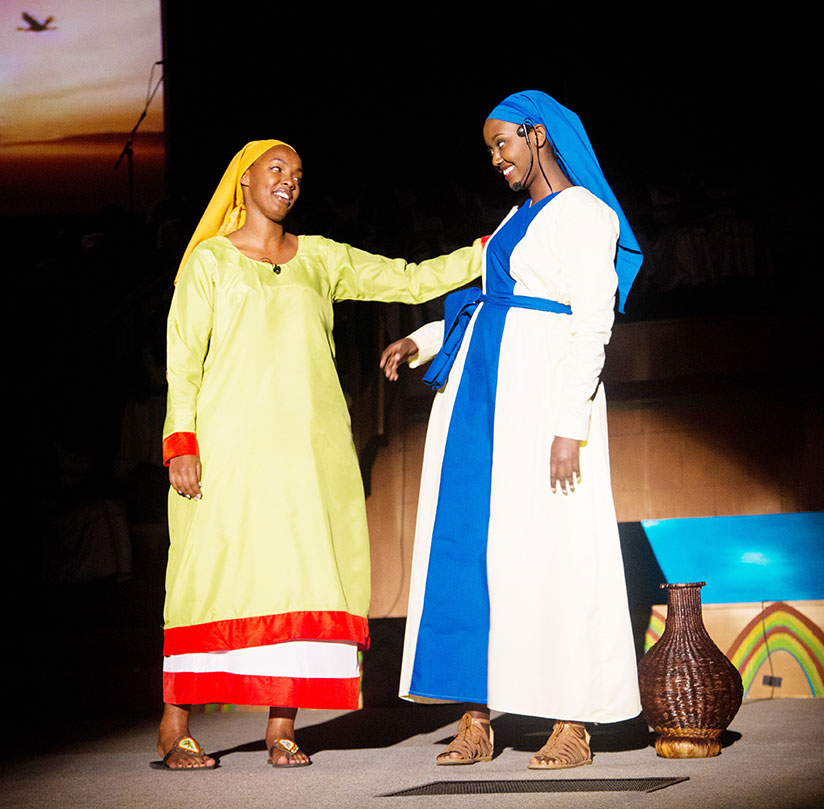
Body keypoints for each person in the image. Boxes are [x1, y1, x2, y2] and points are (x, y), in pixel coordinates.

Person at [155, 139, 483, 770]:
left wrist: (481, 256)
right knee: (209, 573)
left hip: (309, 449)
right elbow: (182, 362)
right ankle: (174, 726)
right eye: (276, 170)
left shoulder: (320, 258)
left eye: (298, 175)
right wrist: (181, 444)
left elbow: (405, 277)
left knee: (302, 575)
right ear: (243, 181)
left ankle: (284, 727)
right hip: (231, 446)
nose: (289, 182)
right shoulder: (210, 263)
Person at [380, 91, 643, 769]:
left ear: (538, 134)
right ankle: (477, 716)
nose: (496, 159)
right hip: (481, 396)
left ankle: (571, 721)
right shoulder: (517, 214)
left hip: (543, 400)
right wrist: (421, 339)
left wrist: (569, 424)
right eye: (490, 149)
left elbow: (592, 322)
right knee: (470, 549)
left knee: (557, 550)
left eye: (503, 142)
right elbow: (498, 306)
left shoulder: (585, 213)